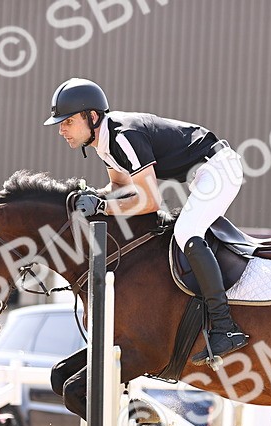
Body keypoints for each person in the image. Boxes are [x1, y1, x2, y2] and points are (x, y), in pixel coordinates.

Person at [44, 78, 249, 365]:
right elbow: (119, 187)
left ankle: (225, 326)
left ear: (91, 117)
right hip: (201, 174)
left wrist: (101, 206)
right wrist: (89, 197)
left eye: (67, 122)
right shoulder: (104, 143)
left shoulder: (123, 136)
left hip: (218, 169)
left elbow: (151, 202)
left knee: (187, 231)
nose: (61, 130)